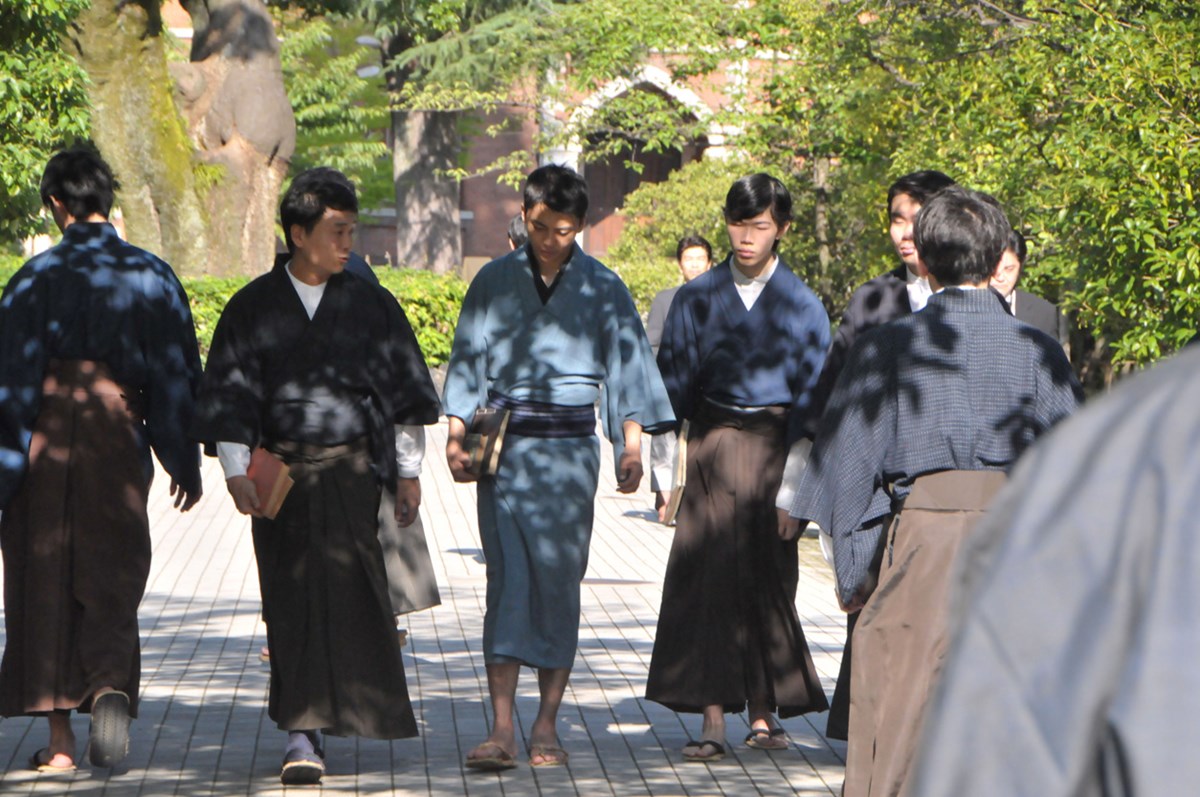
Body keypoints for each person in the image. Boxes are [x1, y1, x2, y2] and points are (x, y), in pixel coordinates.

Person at [789, 186, 1083, 797]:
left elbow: (850, 472)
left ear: (922, 255)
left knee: (902, 729)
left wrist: (856, 578)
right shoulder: (1039, 352)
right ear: (999, 252)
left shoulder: (887, 348)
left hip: (920, 544)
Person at [191, 167, 440, 785]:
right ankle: (302, 734)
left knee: (358, 598)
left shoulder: (370, 303)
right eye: (337, 231)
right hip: (281, 474)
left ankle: (348, 713)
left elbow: (405, 391)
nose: (348, 243)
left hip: (354, 471)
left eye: (352, 230)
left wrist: (408, 473)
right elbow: (229, 395)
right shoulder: (253, 306)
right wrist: (233, 470)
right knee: (291, 600)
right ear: (299, 232)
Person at [442, 164, 673, 771]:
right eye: (540, 226)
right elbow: (467, 358)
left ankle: (545, 719)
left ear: (581, 226)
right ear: (525, 214)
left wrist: (631, 445)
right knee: (506, 581)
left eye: (564, 231)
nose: (550, 239)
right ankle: (499, 727)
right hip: (506, 451)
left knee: (557, 583)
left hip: (570, 457)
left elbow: (627, 366)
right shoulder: (492, 280)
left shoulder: (603, 287)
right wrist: (455, 434)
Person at [910, 344, 1200, 797]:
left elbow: (1002, 752)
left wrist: (855, 564)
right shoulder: (1102, 437)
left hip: (932, 529)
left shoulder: (1105, 455)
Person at [0, 146, 203, 772]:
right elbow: (177, 374)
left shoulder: (32, 279)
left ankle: (59, 744)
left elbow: (9, 381)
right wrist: (183, 459)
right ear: (106, 201)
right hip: (120, 430)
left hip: (44, 434)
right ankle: (111, 685)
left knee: (43, 577)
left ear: (57, 205)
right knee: (112, 569)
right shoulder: (153, 275)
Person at [645, 174, 831, 763]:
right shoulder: (696, 299)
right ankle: (711, 717)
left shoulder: (802, 305)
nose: (745, 237)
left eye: (759, 226)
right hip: (711, 450)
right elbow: (669, 392)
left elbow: (814, 407)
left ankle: (763, 709)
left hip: (776, 455)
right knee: (706, 582)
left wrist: (796, 493)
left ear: (782, 229)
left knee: (771, 581)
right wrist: (663, 477)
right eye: (737, 223)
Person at [801, 169, 956, 742]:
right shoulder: (873, 299)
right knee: (873, 619)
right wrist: (810, 488)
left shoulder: (979, 303)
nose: (905, 231)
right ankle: (872, 738)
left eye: (916, 217)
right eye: (896, 217)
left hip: (950, 494)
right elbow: (834, 398)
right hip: (881, 491)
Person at [645, 234, 714, 520]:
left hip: (707, 386)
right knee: (664, 444)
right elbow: (652, 343)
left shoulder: (720, 299)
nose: (695, 265)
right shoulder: (665, 299)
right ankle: (666, 499)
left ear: (710, 263)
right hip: (669, 383)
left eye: (700, 259)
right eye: (689, 259)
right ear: (680, 264)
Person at [990, 227, 1069, 348]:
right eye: (993, 268)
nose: (999, 277)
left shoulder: (1042, 313)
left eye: (1009, 269)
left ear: (1020, 267)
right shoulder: (964, 307)